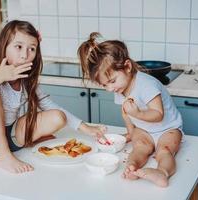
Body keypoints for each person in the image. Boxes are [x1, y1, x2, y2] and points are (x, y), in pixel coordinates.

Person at [0, 21, 106, 174]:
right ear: (4, 46)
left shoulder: (26, 81)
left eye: (32, 49)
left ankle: (21, 144)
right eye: (19, 46)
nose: (25, 54)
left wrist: (85, 127)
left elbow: (50, 105)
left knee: (58, 117)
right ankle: (3, 156)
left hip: (12, 138)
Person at [77, 32, 183, 187]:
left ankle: (162, 173)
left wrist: (137, 113)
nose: (110, 88)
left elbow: (158, 114)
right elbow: (125, 112)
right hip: (144, 129)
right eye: (104, 85)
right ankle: (132, 168)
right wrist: (131, 132)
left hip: (168, 129)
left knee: (164, 151)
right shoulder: (120, 87)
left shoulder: (146, 84)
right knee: (139, 148)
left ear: (127, 67)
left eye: (112, 81)